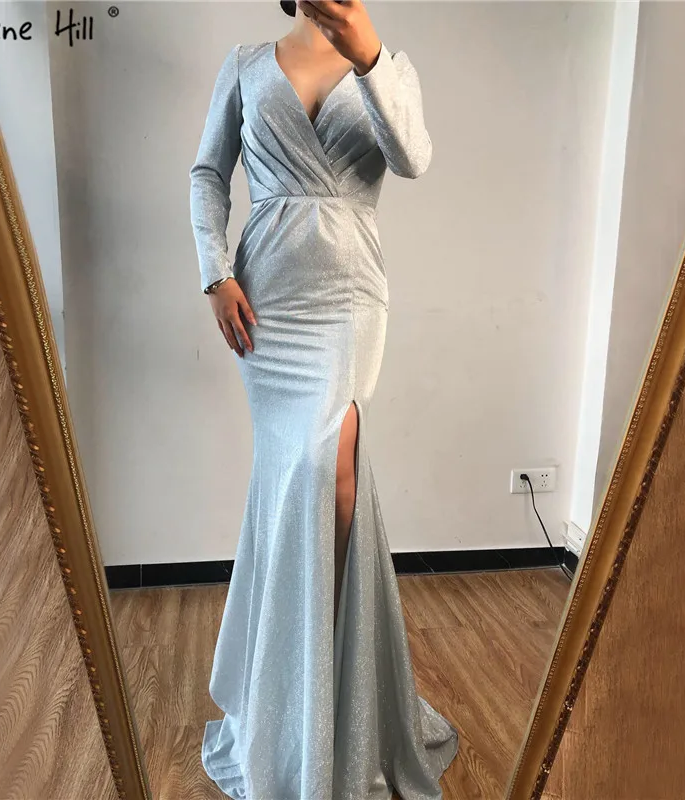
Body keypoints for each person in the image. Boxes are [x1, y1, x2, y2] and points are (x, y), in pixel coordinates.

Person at [189, 1, 459, 797]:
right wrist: (214, 272)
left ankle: (334, 691)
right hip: (266, 297)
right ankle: (289, 697)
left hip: (348, 299)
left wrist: (368, 56)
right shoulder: (245, 65)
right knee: (289, 481)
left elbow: (411, 158)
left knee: (328, 472)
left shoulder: (389, 66)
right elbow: (208, 172)